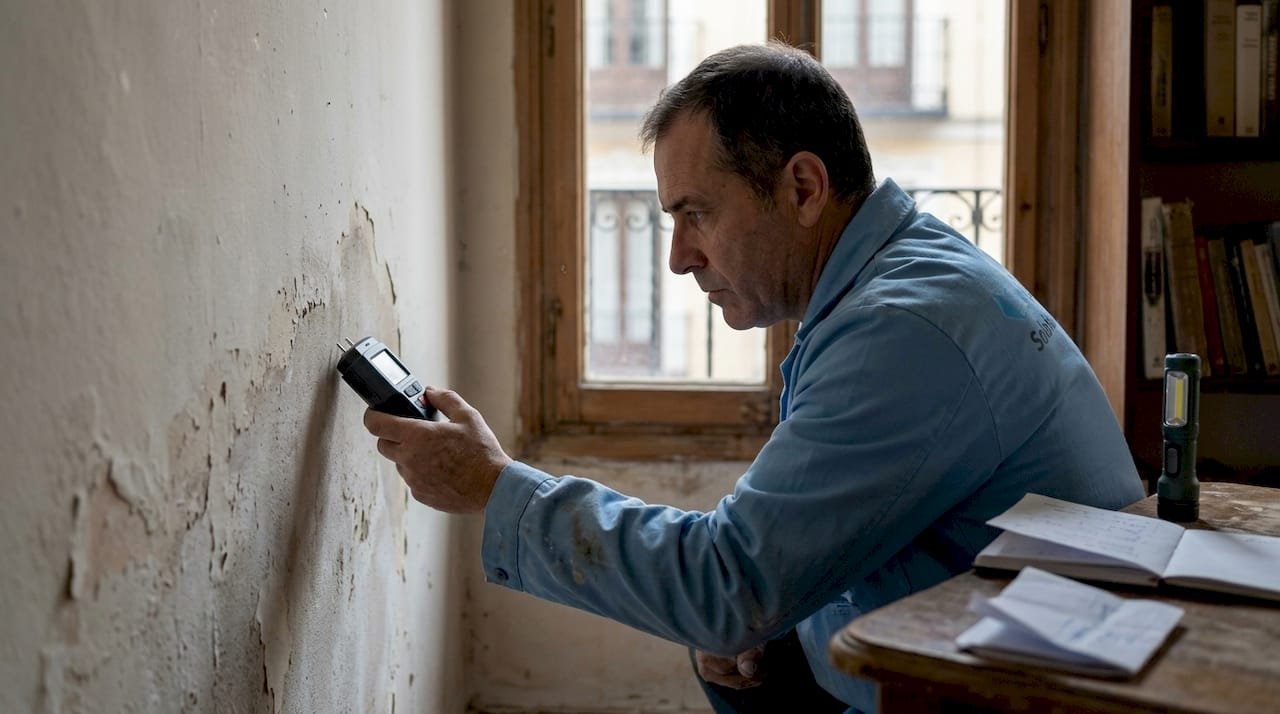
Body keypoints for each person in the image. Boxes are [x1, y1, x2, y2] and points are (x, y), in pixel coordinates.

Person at [362, 42, 1145, 713]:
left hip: (1037, 690)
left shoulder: (902, 330)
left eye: (696, 213)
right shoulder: (899, 279)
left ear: (803, 188)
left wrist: (493, 488)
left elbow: (728, 581)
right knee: (737, 647)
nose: (679, 256)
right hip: (1004, 656)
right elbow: (819, 551)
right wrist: (777, 628)